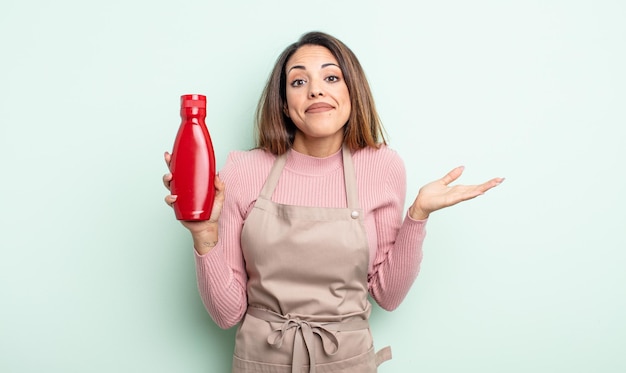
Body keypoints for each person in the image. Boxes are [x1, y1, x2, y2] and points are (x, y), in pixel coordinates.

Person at [163, 31, 503, 373]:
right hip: (260, 362)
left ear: (351, 92)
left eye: (331, 77)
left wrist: (418, 215)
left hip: (347, 363)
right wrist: (204, 234)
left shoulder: (382, 167)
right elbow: (227, 315)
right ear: (283, 102)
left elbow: (388, 295)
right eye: (298, 81)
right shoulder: (243, 169)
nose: (315, 89)